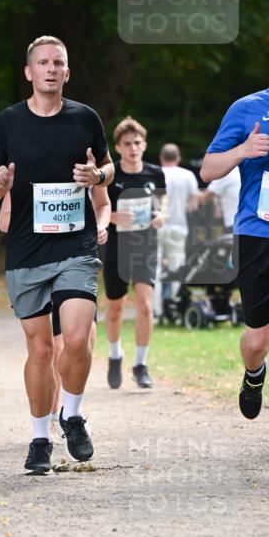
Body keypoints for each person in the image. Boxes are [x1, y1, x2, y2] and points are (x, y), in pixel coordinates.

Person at [0, 35, 114, 475]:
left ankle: (71, 414)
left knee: (74, 338)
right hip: (26, 251)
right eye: (43, 62)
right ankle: (40, 439)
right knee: (39, 349)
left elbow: (108, 170)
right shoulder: (7, 123)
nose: (51, 69)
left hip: (74, 247)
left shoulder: (85, 119)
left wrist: (97, 174)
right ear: (29, 72)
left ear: (67, 73)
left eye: (59, 62)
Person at [200, 26, 269, 477]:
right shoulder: (247, 109)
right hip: (257, 238)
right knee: (259, 338)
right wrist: (244, 150)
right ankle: (254, 372)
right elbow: (208, 169)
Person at [0, 184, 111, 442]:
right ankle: (50, 419)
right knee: (46, 349)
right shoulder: (25, 167)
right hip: (34, 259)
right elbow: (4, 220)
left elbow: (103, 204)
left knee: (79, 341)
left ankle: (70, 412)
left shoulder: (85, 163)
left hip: (76, 258)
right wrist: (38, 221)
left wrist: (101, 225)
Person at [104, 117, 167, 390]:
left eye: (137, 143)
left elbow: (162, 205)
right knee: (116, 307)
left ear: (145, 145)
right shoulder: (109, 175)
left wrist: (161, 216)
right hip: (116, 247)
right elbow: (98, 209)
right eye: (127, 144)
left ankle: (141, 365)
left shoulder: (155, 173)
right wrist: (113, 217)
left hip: (145, 245)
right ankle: (115, 355)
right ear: (118, 147)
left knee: (145, 305)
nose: (133, 148)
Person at [154, 143, 199, 318]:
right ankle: (173, 307)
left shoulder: (155, 172)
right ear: (178, 158)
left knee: (155, 270)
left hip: (157, 226)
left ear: (161, 158)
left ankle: (155, 310)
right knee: (176, 268)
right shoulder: (187, 176)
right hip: (178, 227)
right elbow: (193, 203)